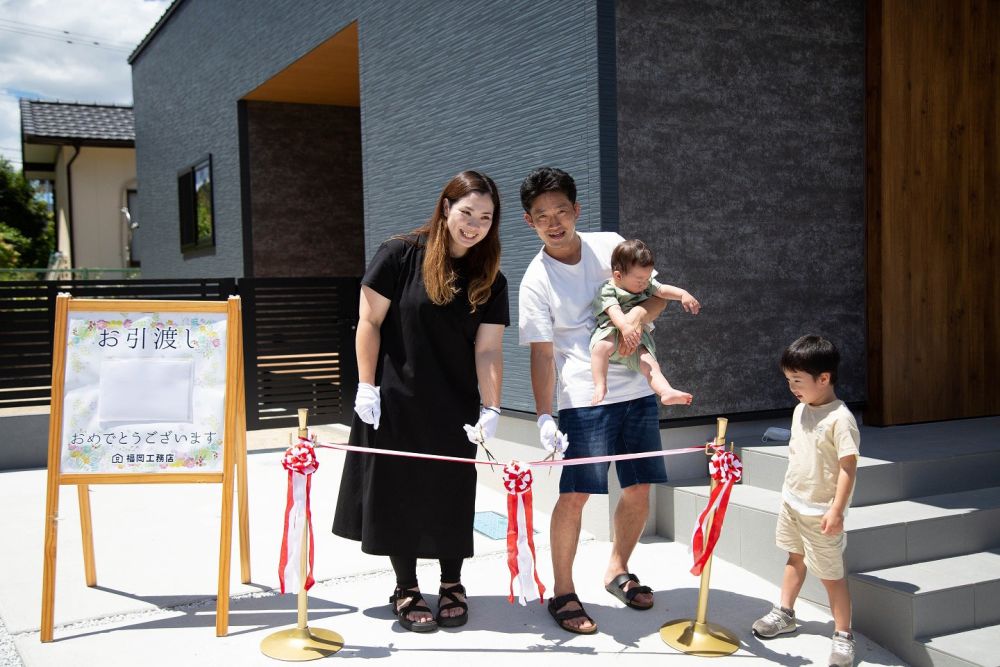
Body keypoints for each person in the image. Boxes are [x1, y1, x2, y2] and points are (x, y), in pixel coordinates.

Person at [332, 170, 509, 633]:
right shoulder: (399, 255)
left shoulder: (491, 277)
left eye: (485, 218)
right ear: (446, 207)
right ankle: (406, 585)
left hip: (455, 403)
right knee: (399, 492)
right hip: (393, 398)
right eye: (466, 212)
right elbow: (368, 323)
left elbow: (488, 349)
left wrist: (492, 407)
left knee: (451, 491)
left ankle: (452, 582)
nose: (474, 225)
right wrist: (365, 386)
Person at [518, 167, 682, 634]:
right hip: (583, 397)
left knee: (638, 487)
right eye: (542, 215)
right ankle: (563, 591)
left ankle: (617, 569)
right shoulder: (536, 279)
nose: (554, 222)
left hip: (636, 390)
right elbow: (542, 354)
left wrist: (634, 322)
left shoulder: (610, 244)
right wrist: (545, 414)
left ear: (577, 211)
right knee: (576, 495)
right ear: (530, 222)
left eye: (561, 211)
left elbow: (654, 296)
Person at [751, 335, 860, 667]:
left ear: (824, 378)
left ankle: (843, 635)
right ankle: (785, 613)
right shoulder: (800, 410)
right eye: (788, 380)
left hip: (821, 511)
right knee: (793, 558)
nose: (791, 387)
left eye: (797, 380)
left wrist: (837, 511)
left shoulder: (840, 419)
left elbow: (847, 469)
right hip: (793, 503)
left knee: (830, 576)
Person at [589, 238, 700, 406]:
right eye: (640, 280)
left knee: (651, 365)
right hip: (612, 331)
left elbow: (662, 290)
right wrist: (625, 327)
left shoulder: (646, 284)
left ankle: (665, 391)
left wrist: (682, 294)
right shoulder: (608, 289)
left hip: (638, 339)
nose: (645, 283)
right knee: (600, 348)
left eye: (648, 278)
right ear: (618, 276)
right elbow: (614, 310)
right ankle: (600, 384)